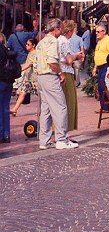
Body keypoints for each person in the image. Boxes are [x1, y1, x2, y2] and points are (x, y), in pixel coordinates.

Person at [36, 18, 78, 150]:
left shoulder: (41, 42)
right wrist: (61, 73)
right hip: (50, 76)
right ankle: (61, 139)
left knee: (46, 109)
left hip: (41, 77)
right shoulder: (53, 42)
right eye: (60, 29)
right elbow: (52, 62)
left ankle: (44, 140)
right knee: (61, 107)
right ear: (56, 29)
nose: (61, 31)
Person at [59, 20, 85, 132]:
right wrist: (77, 56)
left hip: (60, 71)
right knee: (69, 101)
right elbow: (68, 60)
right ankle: (65, 130)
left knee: (62, 101)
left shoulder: (58, 40)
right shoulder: (64, 41)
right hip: (66, 71)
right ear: (69, 31)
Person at [0, 31, 21, 143]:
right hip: (8, 81)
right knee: (5, 108)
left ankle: (1, 134)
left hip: (0, 80)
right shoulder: (6, 50)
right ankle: (6, 134)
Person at [10, 38, 38, 116]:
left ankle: (43, 110)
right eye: (26, 44)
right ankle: (15, 109)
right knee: (22, 93)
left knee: (41, 96)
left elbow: (30, 64)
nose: (26, 46)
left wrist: (21, 70)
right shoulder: (30, 53)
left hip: (34, 79)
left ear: (34, 45)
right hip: (28, 78)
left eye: (28, 44)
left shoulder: (34, 53)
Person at [92, 24, 109, 112]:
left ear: (104, 31)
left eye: (98, 32)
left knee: (104, 87)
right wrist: (95, 67)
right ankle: (104, 107)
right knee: (101, 87)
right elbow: (98, 54)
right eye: (96, 32)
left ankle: (107, 107)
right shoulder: (100, 41)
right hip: (100, 67)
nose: (96, 33)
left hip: (106, 66)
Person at [66, 21, 85, 87]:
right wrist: (83, 57)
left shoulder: (67, 39)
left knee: (70, 70)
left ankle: (72, 82)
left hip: (69, 57)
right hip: (77, 57)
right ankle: (76, 83)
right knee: (76, 71)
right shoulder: (79, 39)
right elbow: (82, 49)